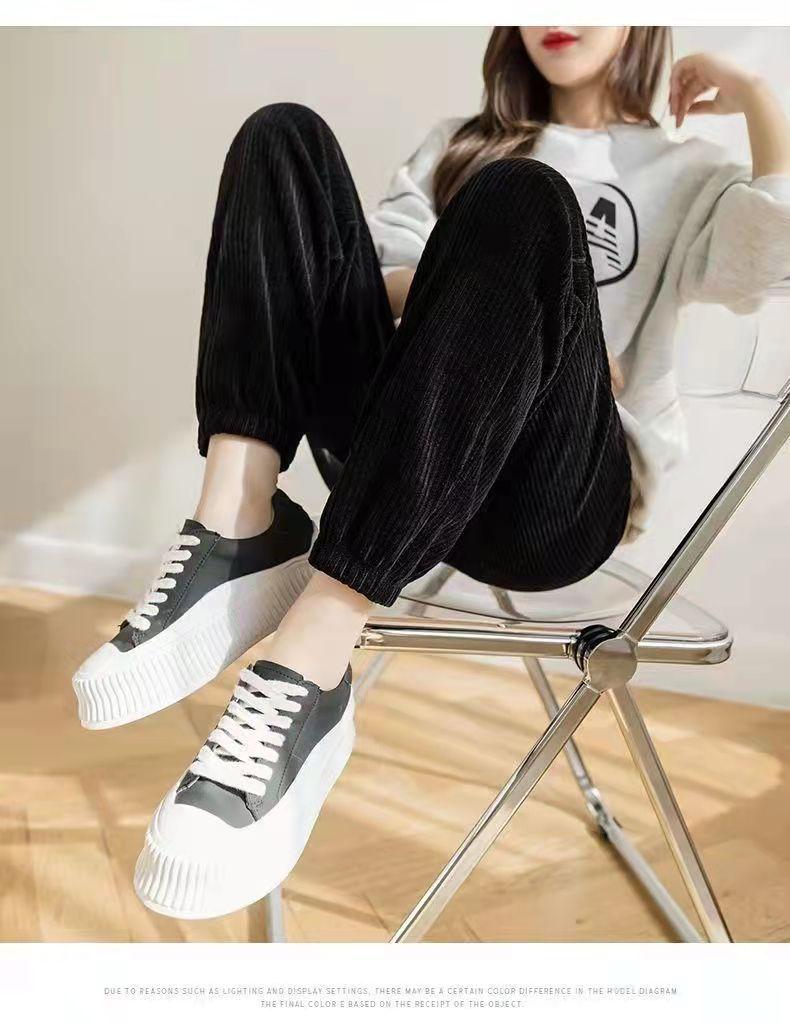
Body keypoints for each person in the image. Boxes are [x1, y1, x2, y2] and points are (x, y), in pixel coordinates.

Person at [74, 27, 790, 920]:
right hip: (407, 461)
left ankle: (312, 657)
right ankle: (238, 521)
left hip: (554, 501)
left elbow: (774, 261)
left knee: (525, 198)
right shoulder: (460, 142)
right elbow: (359, 283)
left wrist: (754, 93)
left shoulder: (686, 173)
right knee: (282, 136)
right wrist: (500, 303)